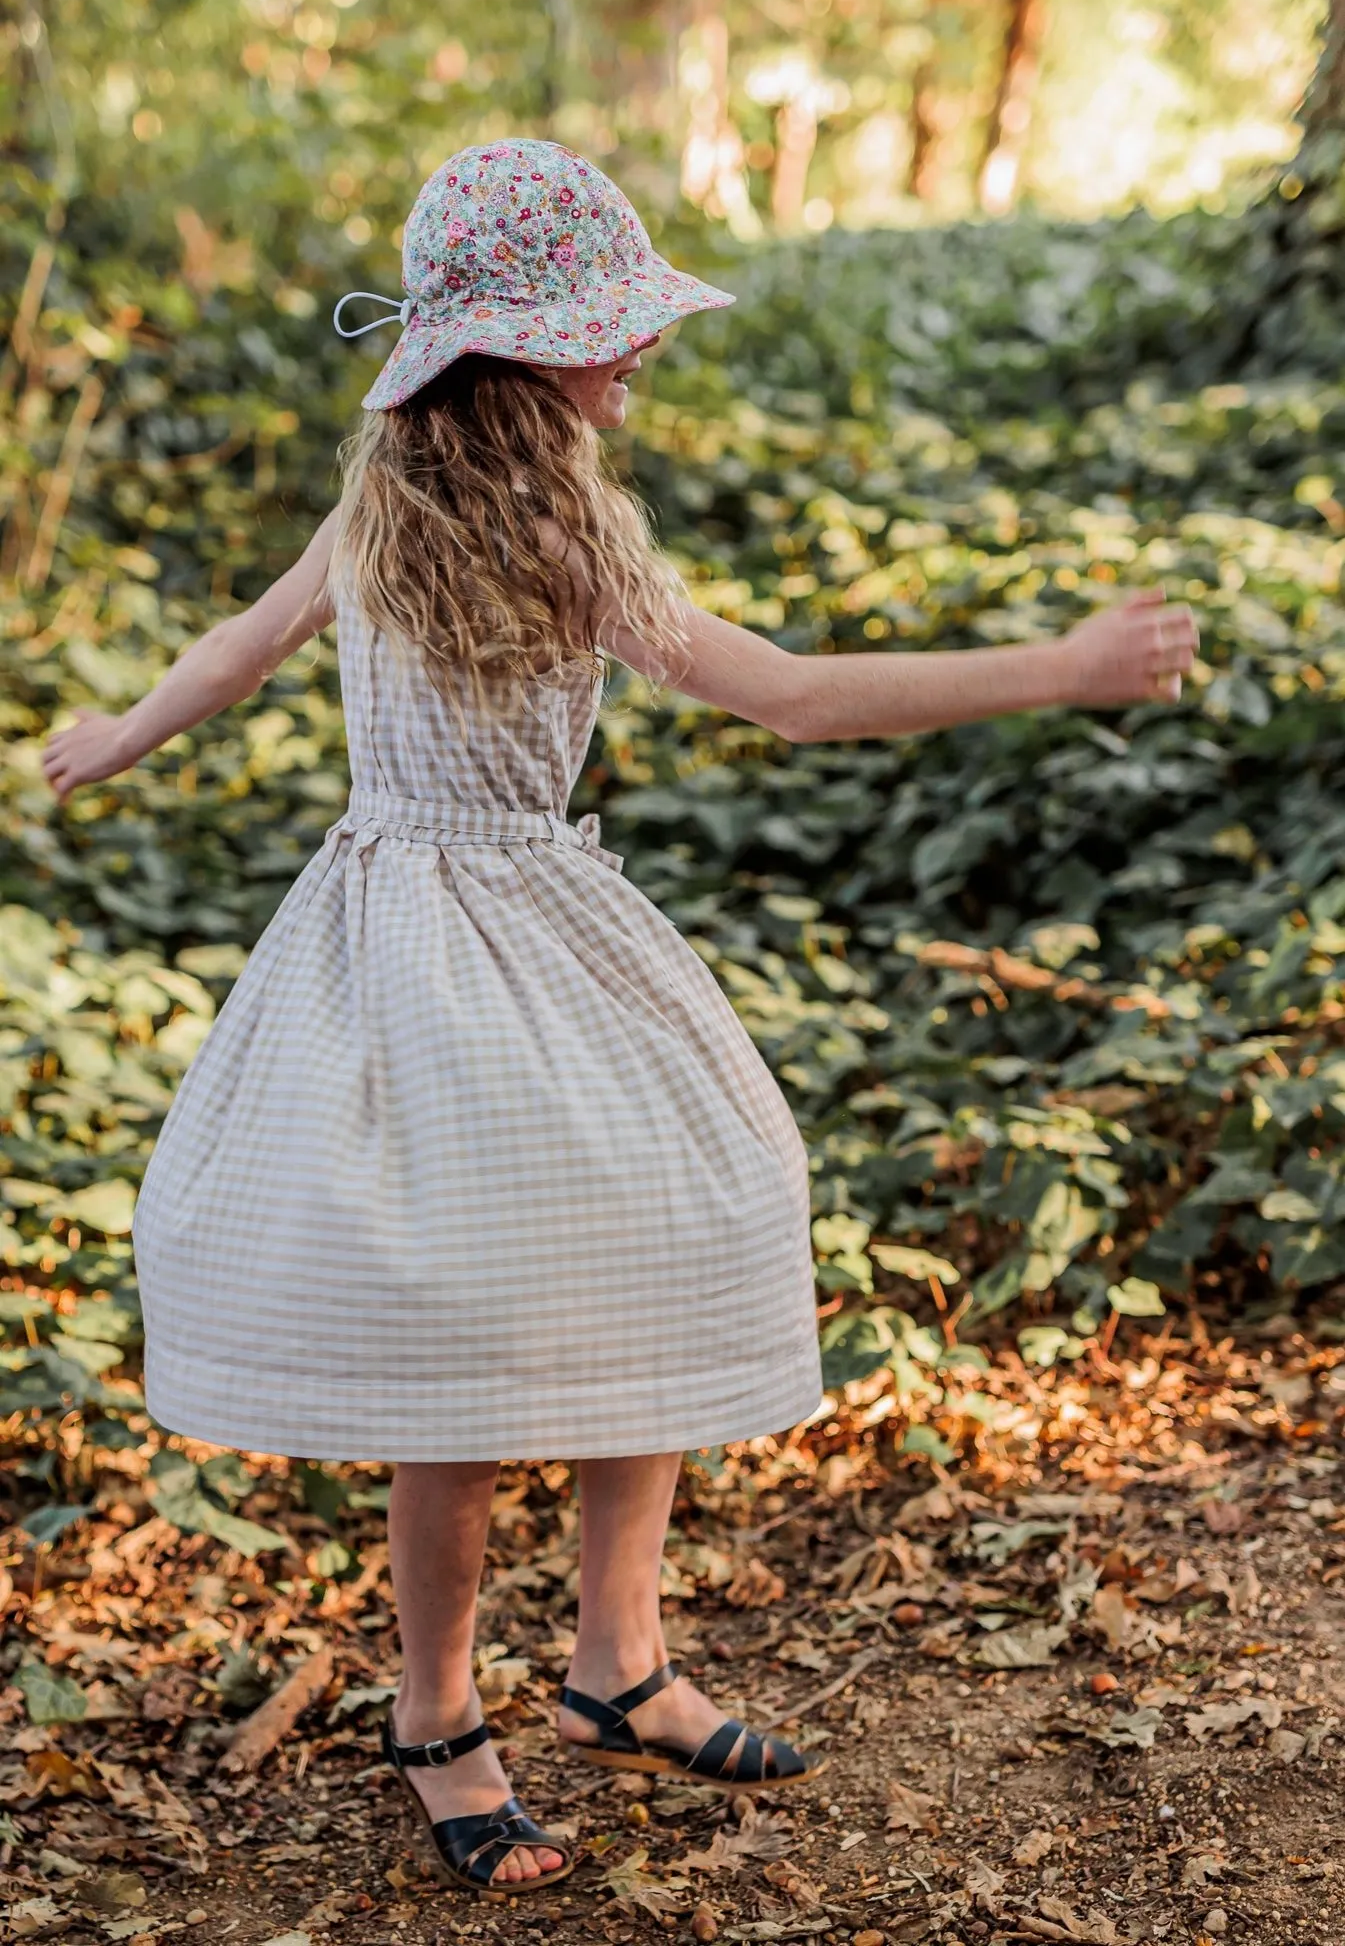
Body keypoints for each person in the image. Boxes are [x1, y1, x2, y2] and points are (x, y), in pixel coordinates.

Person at [43, 139, 1198, 1894]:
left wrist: (133, 727)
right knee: (456, 1329)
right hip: (415, 951)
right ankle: (436, 1710)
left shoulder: (506, 509)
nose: (638, 349)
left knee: (663, 1224)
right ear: (512, 355)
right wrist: (1061, 668)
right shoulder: (477, 525)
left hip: (532, 923)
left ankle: (616, 1661)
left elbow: (233, 652)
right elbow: (793, 699)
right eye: (608, 327)